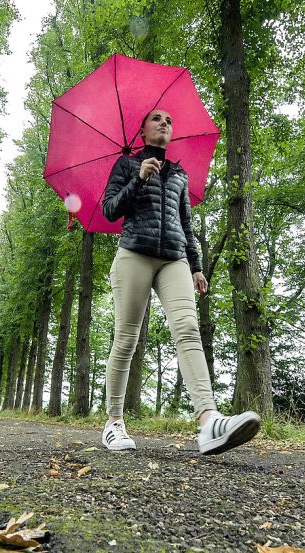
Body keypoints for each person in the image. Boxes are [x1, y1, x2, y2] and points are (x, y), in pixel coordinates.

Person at [100, 108, 261, 455]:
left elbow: (185, 222)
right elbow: (109, 210)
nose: (164, 123)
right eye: (156, 119)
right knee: (126, 339)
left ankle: (209, 422)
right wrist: (138, 178)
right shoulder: (127, 165)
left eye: (170, 121)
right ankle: (114, 422)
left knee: (188, 329)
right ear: (142, 131)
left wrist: (196, 266)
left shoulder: (179, 174)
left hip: (174, 257)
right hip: (134, 253)